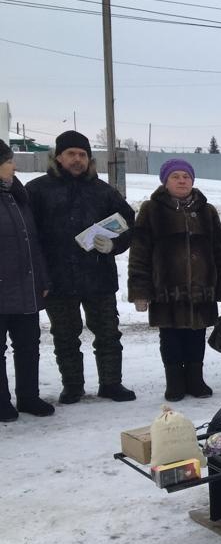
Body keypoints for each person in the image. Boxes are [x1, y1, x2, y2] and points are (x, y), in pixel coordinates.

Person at [26, 130, 136, 403]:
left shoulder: (105, 192)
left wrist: (114, 246)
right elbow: (28, 235)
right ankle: (72, 386)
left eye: (83, 155)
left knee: (108, 334)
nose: (77, 159)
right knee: (65, 336)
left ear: (89, 159)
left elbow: (129, 225)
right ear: (58, 157)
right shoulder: (37, 191)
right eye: (71, 154)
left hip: (99, 276)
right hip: (58, 278)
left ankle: (111, 384)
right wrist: (39, 275)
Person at [128, 159, 221, 401]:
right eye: (175, 176)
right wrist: (140, 291)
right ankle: (175, 382)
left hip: (202, 290)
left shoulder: (206, 211)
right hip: (165, 290)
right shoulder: (151, 210)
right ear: (165, 181)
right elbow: (139, 253)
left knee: (196, 336)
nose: (181, 180)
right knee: (170, 338)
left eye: (186, 176)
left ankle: (195, 380)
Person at [0, 141, 53, 421]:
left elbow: (33, 242)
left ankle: (29, 397)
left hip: (26, 286)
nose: (14, 166)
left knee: (28, 345)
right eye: (9, 161)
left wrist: (42, 278)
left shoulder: (18, 195)